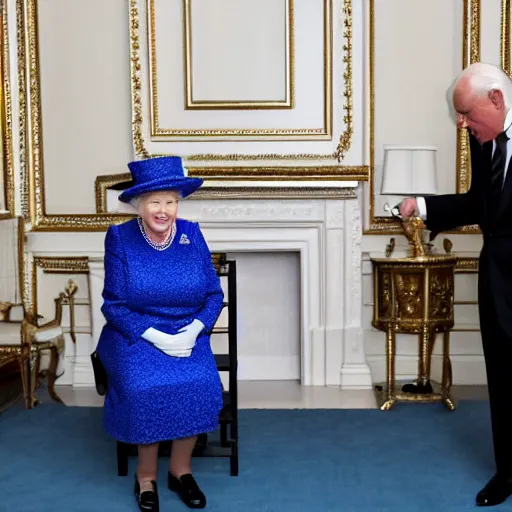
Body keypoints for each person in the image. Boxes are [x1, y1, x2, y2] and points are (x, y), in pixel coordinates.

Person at [399, 62, 512, 507]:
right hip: (499, 282)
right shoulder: (482, 140)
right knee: (503, 382)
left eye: (466, 113)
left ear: (497, 101)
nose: (462, 124)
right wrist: (422, 204)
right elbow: (479, 203)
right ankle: (506, 473)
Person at [95, 155, 224, 511]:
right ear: (139, 204)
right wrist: (158, 337)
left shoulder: (192, 234)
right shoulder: (120, 238)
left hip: (188, 332)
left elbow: (214, 294)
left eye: (171, 201)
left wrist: (194, 330)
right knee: (144, 386)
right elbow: (114, 305)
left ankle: (180, 471)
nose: (164, 210)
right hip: (135, 333)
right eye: (155, 201)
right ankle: (146, 476)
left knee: (199, 382)